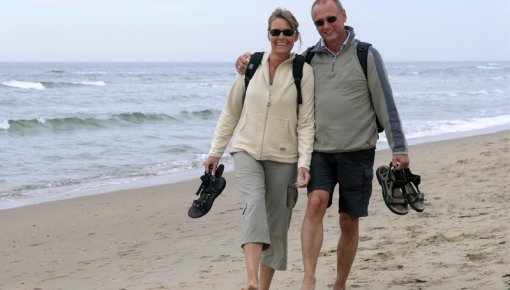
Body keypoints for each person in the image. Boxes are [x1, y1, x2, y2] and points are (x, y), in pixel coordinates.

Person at [236, 1, 410, 289]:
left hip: (358, 151)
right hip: (320, 151)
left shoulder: (366, 53)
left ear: (343, 16)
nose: (326, 26)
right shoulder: (308, 59)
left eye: (331, 19)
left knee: (348, 221)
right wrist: (244, 63)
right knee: (315, 204)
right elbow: (279, 71)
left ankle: (340, 283)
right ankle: (309, 279)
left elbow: (385, 103)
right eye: (319, 22)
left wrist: (399, 148)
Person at [205, 7, 315, 290]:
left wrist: (304, 163)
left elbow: (306, 123)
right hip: (247, 150)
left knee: (278, 225)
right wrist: (215, 152)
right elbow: (230, 112)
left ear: (296, 35)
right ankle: (251, 280)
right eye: (275, 31)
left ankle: (262, 287)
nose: (281, 37)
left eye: (287, 32)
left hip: (285, 156)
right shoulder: (251, 65)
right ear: (268, 34)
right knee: (253, 205)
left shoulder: (304, 71)